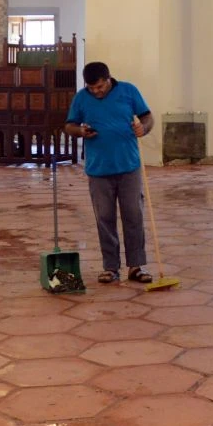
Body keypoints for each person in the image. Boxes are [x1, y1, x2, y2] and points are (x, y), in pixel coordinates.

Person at [64, 61, 155, 285]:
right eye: (91, 88)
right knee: (104, 218)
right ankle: (110, 267)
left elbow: (147, 117)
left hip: (129, 166)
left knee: (133, 215)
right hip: (99, 169)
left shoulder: (128, 91)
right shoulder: (81, 98)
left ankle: (136, 266)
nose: (96, 91)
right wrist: (80, 131)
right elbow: (69, 126)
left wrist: (143, 128)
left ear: (109, 79)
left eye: (100, 87)